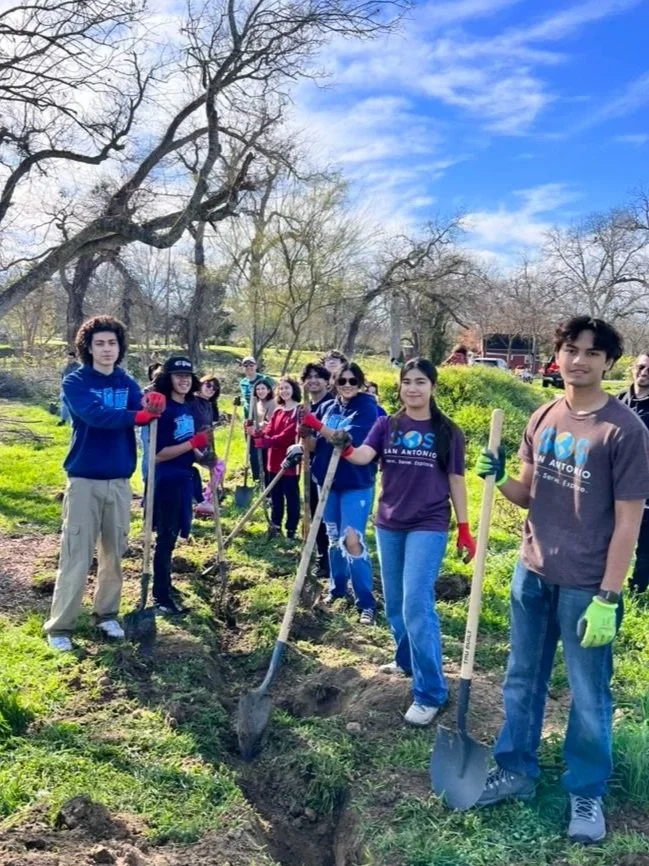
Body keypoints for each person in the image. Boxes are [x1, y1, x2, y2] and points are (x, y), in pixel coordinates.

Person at [474, 316, 649, 844]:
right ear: (558, 355)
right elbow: (527, 493)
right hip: (532, 572)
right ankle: (516, 770)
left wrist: (608, 595)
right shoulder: (543, 415)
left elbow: (628, 523)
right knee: (521, 678)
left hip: (587, 586)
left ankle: (587, 789)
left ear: (609, 363)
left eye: (592, 353)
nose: (579, 360)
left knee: (587, 692)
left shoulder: (626, 430)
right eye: (571, 350)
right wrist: (499, 476)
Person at [340, 359, 476, 725]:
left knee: (417, 602)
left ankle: (430, 691)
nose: (412, 389)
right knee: (397, 604)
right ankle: (406, 660)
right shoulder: (387, 425)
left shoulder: (448, 431)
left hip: (428, 523)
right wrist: (340, 444)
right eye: (406, 382)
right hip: (389, 522)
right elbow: (363, 456)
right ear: (399, 387)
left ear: (432, 386)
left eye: (420, 382)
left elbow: (457, 481)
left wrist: (464, 528)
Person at [44, 316, 165, 651]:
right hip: (84, 479)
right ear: (88, 347)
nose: (107, 349)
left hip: (120, 481)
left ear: (119, 347)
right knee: (76, 554)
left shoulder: (127, 383)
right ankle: (60, 627)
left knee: (114, 552)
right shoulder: (77, 382)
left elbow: (141, 406)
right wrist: (137, 416)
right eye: (99, 343)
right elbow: (95, 416)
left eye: (112, 343)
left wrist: (150, 405)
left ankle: (106, 614)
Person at [302, 362, 378, 624]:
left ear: (360, 383)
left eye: (353, 381)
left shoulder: (368, 408)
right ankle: (337, 589)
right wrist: (304, 431)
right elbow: (315, 444)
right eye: (342, 381)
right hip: (327, 482)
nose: (347, 385)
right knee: (334, 538)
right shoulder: (327, 407)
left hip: (356, 483)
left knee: (352, 539)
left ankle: (366, 602)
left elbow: (345, 440)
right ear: (335, 383)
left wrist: (316, 424)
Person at [151, 357, 209, 614]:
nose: (184, 380)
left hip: (185, 476)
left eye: (188, 376)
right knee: (165, 538)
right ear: (168, 379)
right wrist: (193, 443)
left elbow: (191, 444)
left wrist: (207, 460)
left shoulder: (187, 407)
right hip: (167, 479)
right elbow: (158, 454)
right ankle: (160, 595)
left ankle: (167, 584)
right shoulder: (164, 411)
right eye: (178, 376)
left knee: (173, 536)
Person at [254, 378, 301, 539]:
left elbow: (287, 436)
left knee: (291, 497)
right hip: (272, 460)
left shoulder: (298, 411)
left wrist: (267, 441)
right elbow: (270, 429)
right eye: (281, 389)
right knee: (275, 496)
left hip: (289, 462)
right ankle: (276, 525)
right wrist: (258, 433)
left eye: (287, 388)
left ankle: (291, 529)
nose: (284, 391)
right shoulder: (278, 410)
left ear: (294, 389)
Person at [618, 353, 649, 594]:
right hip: (614, 488)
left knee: (646, 548)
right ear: (632, 368)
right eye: (640, 366)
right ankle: (606, 587)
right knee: (610, 540)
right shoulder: (615, 403)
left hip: (646, 490)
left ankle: (637, 592)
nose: (644, 372)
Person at [300, 363, 334, 577]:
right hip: (310, 465)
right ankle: (322, 557)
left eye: (318, 377)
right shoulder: (305, 407)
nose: (313, 380)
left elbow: (325, 442)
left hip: (328, 469)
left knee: (325, 516)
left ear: (327, 381)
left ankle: (330, 561)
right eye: (309, 377)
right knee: (314, 513)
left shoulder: (331, 406)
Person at [239, 356, 269, 483]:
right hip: (248, 420)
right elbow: (245, 401)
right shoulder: (243, 382)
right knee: (251, 449)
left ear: (256, 366)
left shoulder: (264, 380)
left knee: (263, 448)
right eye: (246, 365)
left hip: (262, 419)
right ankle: (256, 477)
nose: (249, 367)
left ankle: (266, 475)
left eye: (251, 365)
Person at [250, 377, 276, 487]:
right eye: (258, 389)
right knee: (254, 459)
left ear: (269, 390)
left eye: (263, 388)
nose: (260, 391)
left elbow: (269, 423)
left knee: (265, 461)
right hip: (255, 436)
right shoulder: (255, 402)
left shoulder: (272, 403)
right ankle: (258, 482)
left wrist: (257, 426)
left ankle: (267, 485)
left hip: (266, 437)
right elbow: (251, 418)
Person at [57, 350, 81, 426]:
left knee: (73, 406)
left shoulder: (79, 367)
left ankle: (73, 422)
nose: (69, 360)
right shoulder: (66, 367)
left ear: (75, 358)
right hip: (64, 388)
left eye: (71, 358)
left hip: (74, 390)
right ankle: (63, 420)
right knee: (64, 405)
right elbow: (63, 376)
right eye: (68, 358)